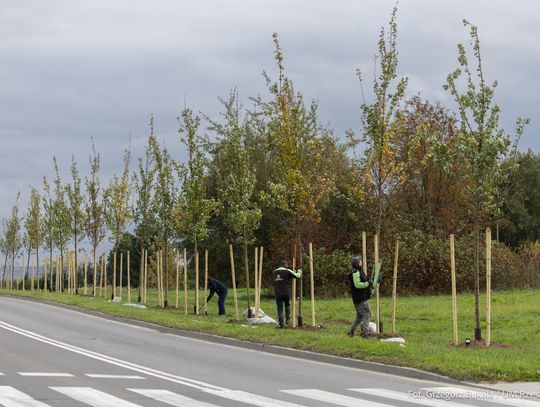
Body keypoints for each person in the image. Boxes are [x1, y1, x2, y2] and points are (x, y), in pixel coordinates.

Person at [347, 255, 373, 337]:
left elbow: (364, 279)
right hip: (360, 298)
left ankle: (351, 331)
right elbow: (357, 285)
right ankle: (365, 333)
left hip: (359, 298)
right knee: (367, 314)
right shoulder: (355, 272)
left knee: (359, 316)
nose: (361, 261)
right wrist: (367, 284)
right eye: (360, 261)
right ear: (357, 263)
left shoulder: (359, 271)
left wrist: (369, 280)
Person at [272, 260, 302, 329]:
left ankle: (281, 324)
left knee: (279, 308)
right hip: (286, 292)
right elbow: (298, 276)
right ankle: (288, 319)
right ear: (286, 265)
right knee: (287, 305)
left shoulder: (274, 272)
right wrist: (299, 270)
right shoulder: (287, 271)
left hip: (277, 293)